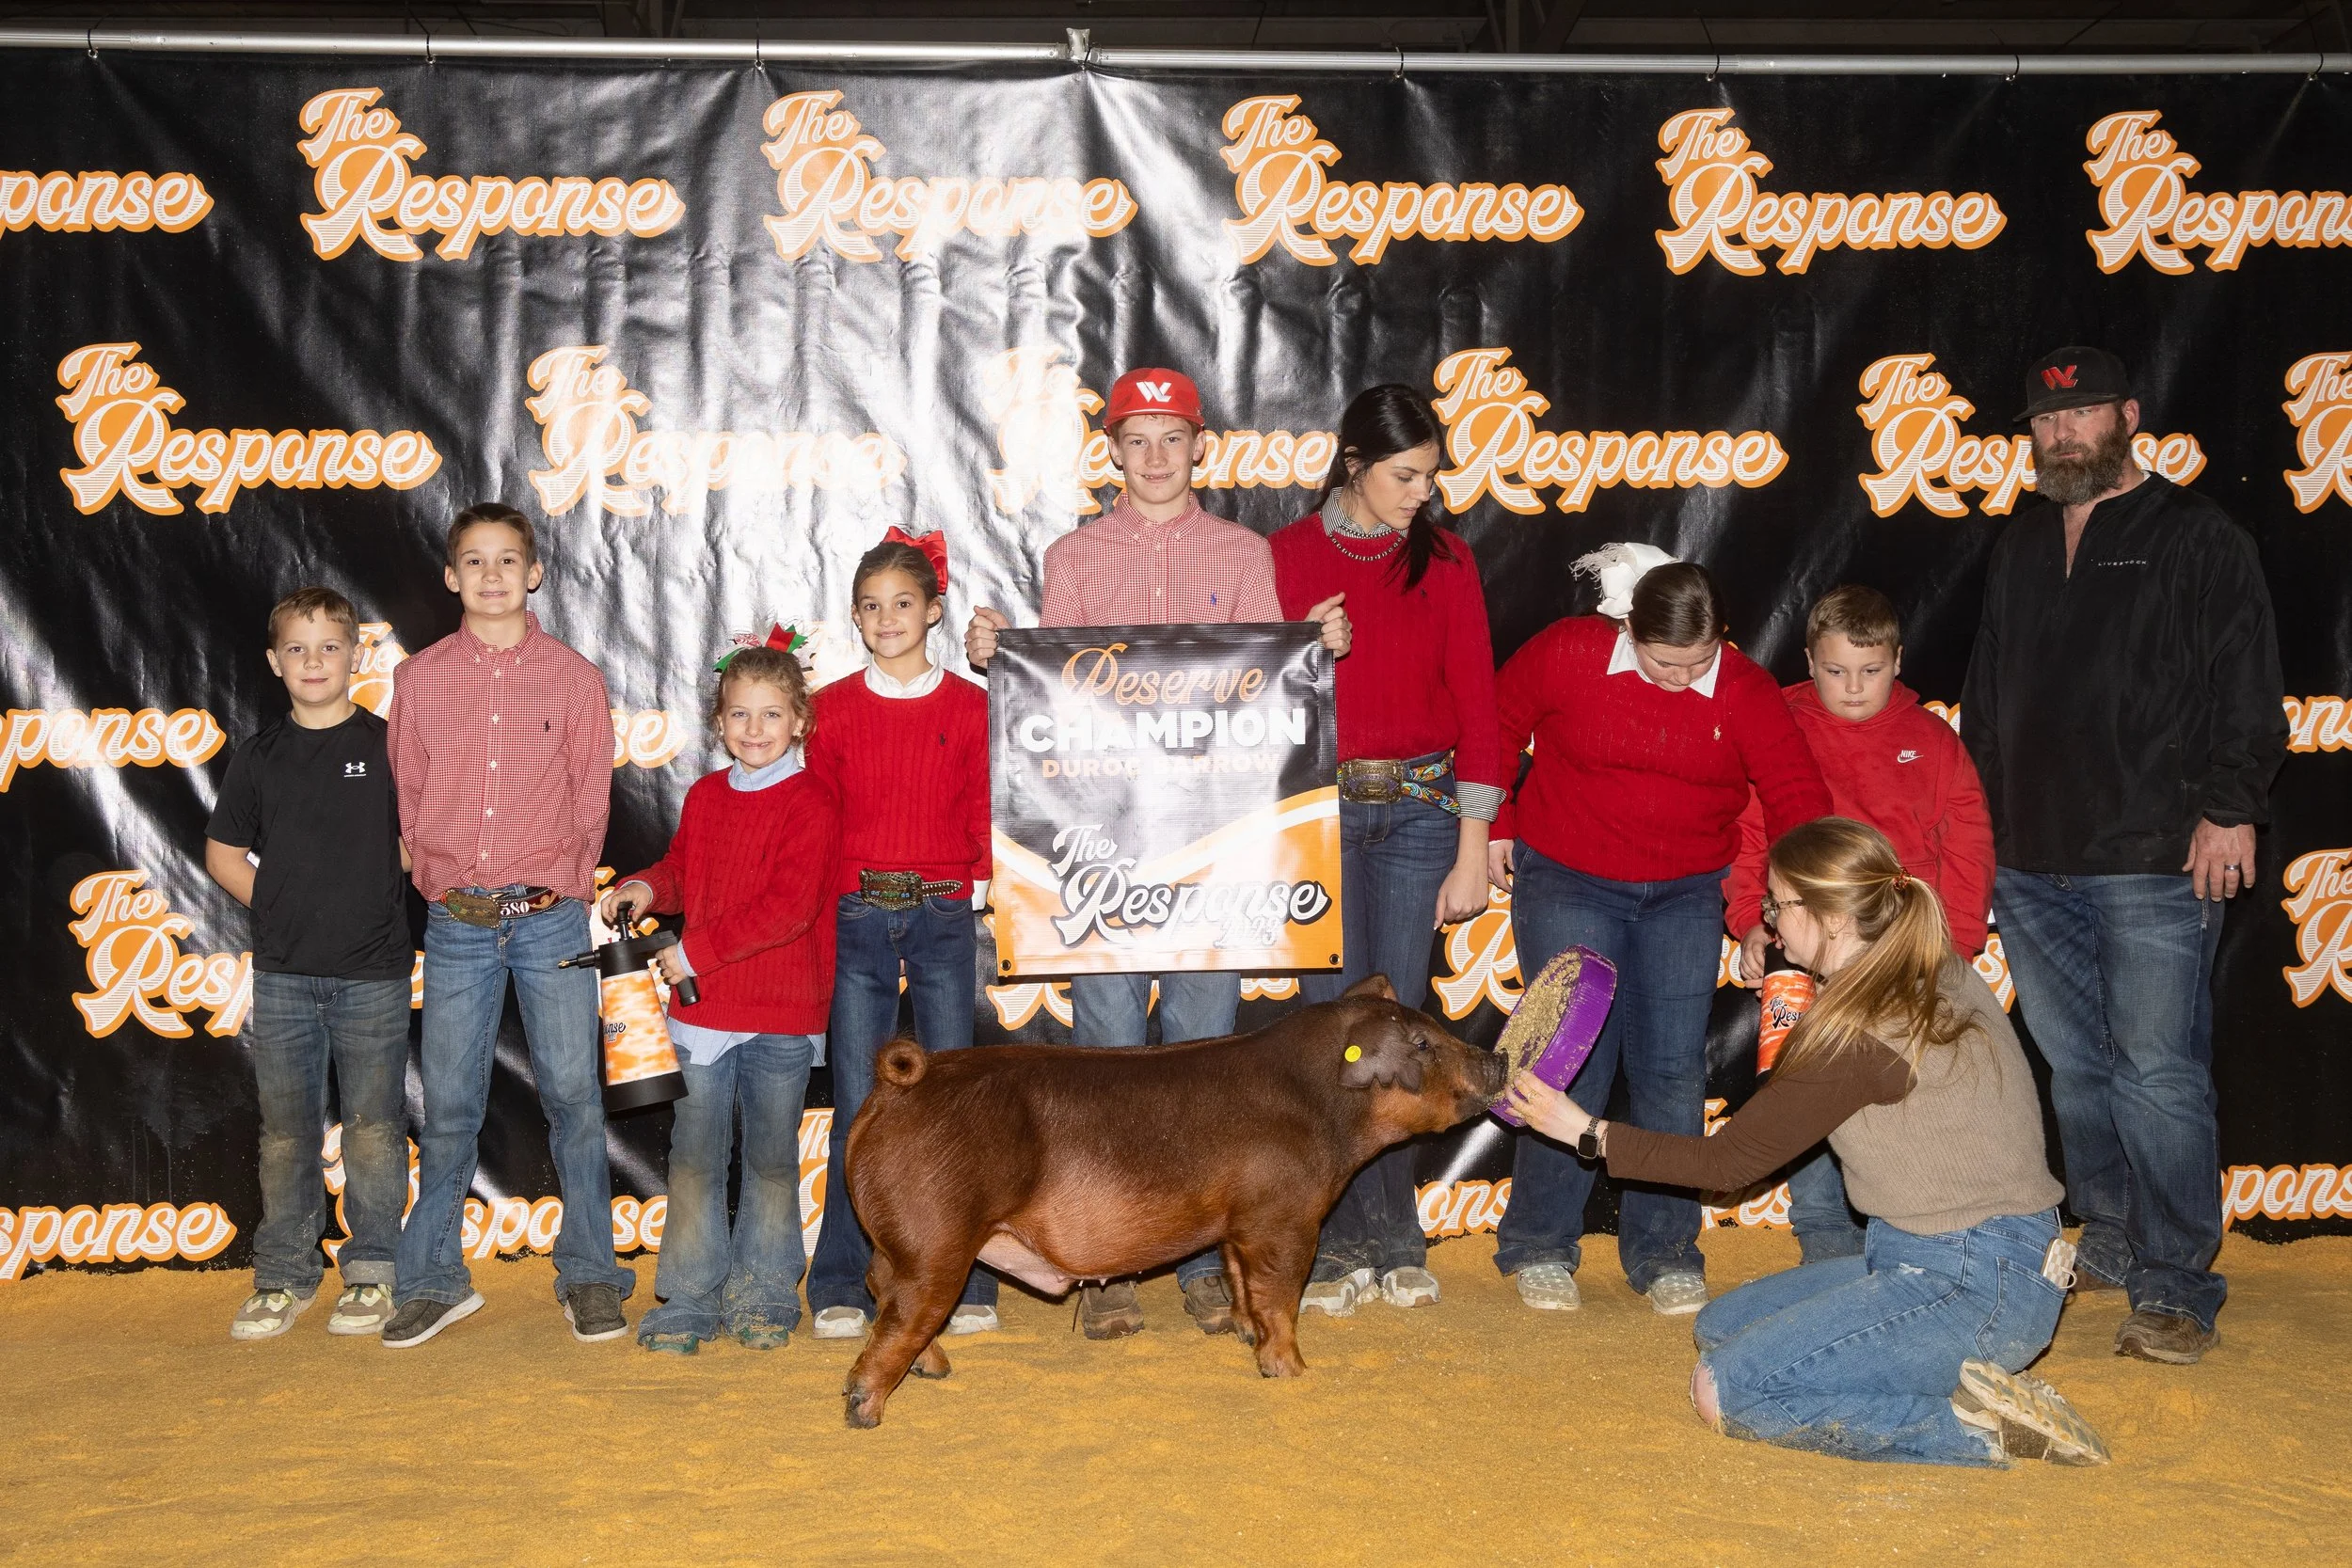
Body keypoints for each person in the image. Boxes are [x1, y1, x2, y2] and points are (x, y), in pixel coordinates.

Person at [1508, 817, 2107, 1468]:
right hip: (1971, 1256)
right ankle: (1950, 1371)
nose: (1767, 920)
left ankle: (1972, 1426)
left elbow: (1727, 1164)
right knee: (1720, 1328)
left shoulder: (1864, 1027)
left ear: (1833, 917)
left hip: (1975, 1279)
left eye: (1779, 905)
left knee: (1726, 1389)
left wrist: (1581, 1129)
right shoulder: (1929, 965)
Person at [964, 366, 1350, 1340]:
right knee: (1103, 1066)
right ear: (1112, 452)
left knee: (1208, 1065)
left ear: (1198, 446)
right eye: (1135, 439)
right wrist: (1000, 658)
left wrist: (1313, 648)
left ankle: (1203, 1256)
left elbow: (1266, 684)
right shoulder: (1075, 554)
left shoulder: (1242, 550)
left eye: (1170, 437)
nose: (1153, 456)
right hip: (1102, 855)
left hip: (1213, 853)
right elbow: (1052, 702)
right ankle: (1105, 1266)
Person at [1960, 346, 2286, 1366]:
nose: (2063, 434)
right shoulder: (2018, 540)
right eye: (2046, 420)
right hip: (2029, 858)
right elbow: (1984, 698)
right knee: (2077, 1072)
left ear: (2128, 416)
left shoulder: (2197, 537)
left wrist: (2228, 809)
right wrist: (1980, 838)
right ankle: (2105, 1233)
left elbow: (2247, 686)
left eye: (2084, 415)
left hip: (2152, 857)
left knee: (2157, 1075)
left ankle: (2177, 1280)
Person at [1486, 548, 1830, 1316]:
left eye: (1697, 660)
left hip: (1681, 892)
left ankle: (1666, 1246)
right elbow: (1495, 720)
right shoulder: (1572, 651)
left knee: (1673, 1067)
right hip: (1568, 873)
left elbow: (1796, 794)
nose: (1680, 678)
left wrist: (1800, 902)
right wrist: (1495, 823)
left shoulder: (1743, 688)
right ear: (1625, 630)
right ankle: (1539, 1241)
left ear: (1723, 638)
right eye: (1662, 661)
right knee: (1568, 1057)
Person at [1268, 384, 1501, 1318]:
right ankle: (1327, 1238)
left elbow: (1477, 701)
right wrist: (1299, 646)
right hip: (1314, 814)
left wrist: (1474, 839)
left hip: (1417, 813)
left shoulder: (1445, 559)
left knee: (1391, 1033)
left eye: (1432, 475)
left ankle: (1390, 1229)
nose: (1424, 493)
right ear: (1354, 464)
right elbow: (1241, 693)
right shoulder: (1281, 557)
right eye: (1407, 475)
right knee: (1327, 1032)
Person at [381, 502, 637, 1348]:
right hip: (457, 921)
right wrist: (435, 871)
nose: (491, 575)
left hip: (552, 919)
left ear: (533, 573)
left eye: (507, 560)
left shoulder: (572, 677)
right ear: (452, 576)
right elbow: (409, 792)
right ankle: (432, 1279)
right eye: (473, 561)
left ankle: (592, 1275)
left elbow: (590, 799)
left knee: (574, 1097)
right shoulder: (419, 678)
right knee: (450, 1103)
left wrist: (561, 889)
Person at [1723, 584, 1994, 1265]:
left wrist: (1953, 948)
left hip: (1903, 951)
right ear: (1809, 660)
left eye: (1870, 671)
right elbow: (1747, 830)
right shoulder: (1777, 722)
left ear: (1898, 660)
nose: (1852, 686)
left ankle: (1917, 1232)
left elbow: (1967, 844)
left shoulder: (1930, 739)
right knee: (1808, 1084)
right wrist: (1752, 921)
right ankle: (1825, 1242)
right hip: (1806, 946)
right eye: (1836, 669)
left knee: (1908, 1089)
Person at [601, 638, 836, 1354]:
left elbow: (790, 907)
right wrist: (646, 885)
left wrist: (693, 949)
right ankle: (691, 1293)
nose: (755, 729)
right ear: (719, 720)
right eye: (740, 714)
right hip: (703, 1013)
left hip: (780, 1014)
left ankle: (766, 1289)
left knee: (769, 1157)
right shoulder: (704, 796)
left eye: (771, 714)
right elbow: (682, 871)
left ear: (800, 720)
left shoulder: (813, 800)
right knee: (695, 1156)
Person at [803, 531, 998, 1342]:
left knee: (954, 1100)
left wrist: (980, 877)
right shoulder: (832, 709)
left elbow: (985, 797)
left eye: (904, 604)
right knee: (860, 1100)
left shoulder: (970, 704)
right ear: (855, 618)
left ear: (935, 611)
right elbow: (816, 814)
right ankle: (844, 1276)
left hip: (946, 911)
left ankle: (968, 1277)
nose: (889, 619)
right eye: (872, 607)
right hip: (857, 912)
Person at [205, 586, 413, 1341]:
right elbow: (223, 852)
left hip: (374, 974)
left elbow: (418, 841)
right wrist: (281, 901)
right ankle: (284, 1277)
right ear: (274, 661)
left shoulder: (391, 746)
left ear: (356, 655)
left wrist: (370, 883)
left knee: (373, 1129)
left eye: (331, 646)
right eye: (298, 647)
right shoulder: (258, 757)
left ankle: (372, 1271)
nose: (315, 660)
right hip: (285, 974)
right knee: (286, 1132)